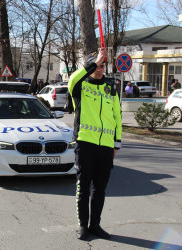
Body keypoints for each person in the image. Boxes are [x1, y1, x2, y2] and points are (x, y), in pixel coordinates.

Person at [68, 47, 122, 241]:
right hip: (86, 144)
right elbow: (73, 79)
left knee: (100, 189)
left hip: (106, 146)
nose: (99, 69)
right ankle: (82, 226)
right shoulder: (80, 86)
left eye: (102, 66)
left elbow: (117, 117)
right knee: (83, 187)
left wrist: (116, 145)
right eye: (97, 66)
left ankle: (95, 225)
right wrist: (92, 63)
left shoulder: (111, 88)